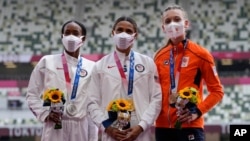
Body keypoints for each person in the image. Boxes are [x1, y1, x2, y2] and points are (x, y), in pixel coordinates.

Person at [154, 4, 224, 141]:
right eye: (167, 21)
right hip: (162, 128)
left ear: (186, 23)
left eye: (176, 19)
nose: (172, 24)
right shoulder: (158, 56)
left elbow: (217, 91)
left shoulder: (201, 54)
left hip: (190, 126)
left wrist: (197, 112)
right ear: (163, 28)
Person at [87, 16, 162, 141]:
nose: (123, 34)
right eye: (119, 30)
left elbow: (156, 98)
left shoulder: (147, 63)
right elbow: (91, 101)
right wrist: (107, 126)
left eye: (128, 31)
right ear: (113, 33)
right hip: (111, 133)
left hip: (140, 134)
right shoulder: (100, 65)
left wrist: (141, 126)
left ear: (135, 35)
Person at [26, 20, 98, 141]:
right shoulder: (47, 62)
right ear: (62, 37)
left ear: (83, 39)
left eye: (75, 33)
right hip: (55, 126)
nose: (71, 37)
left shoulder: (92, 67)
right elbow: (31, 94)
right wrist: (45, 114)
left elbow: (94, 106)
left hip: (81, 126)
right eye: (67, 33)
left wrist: (93, 137)